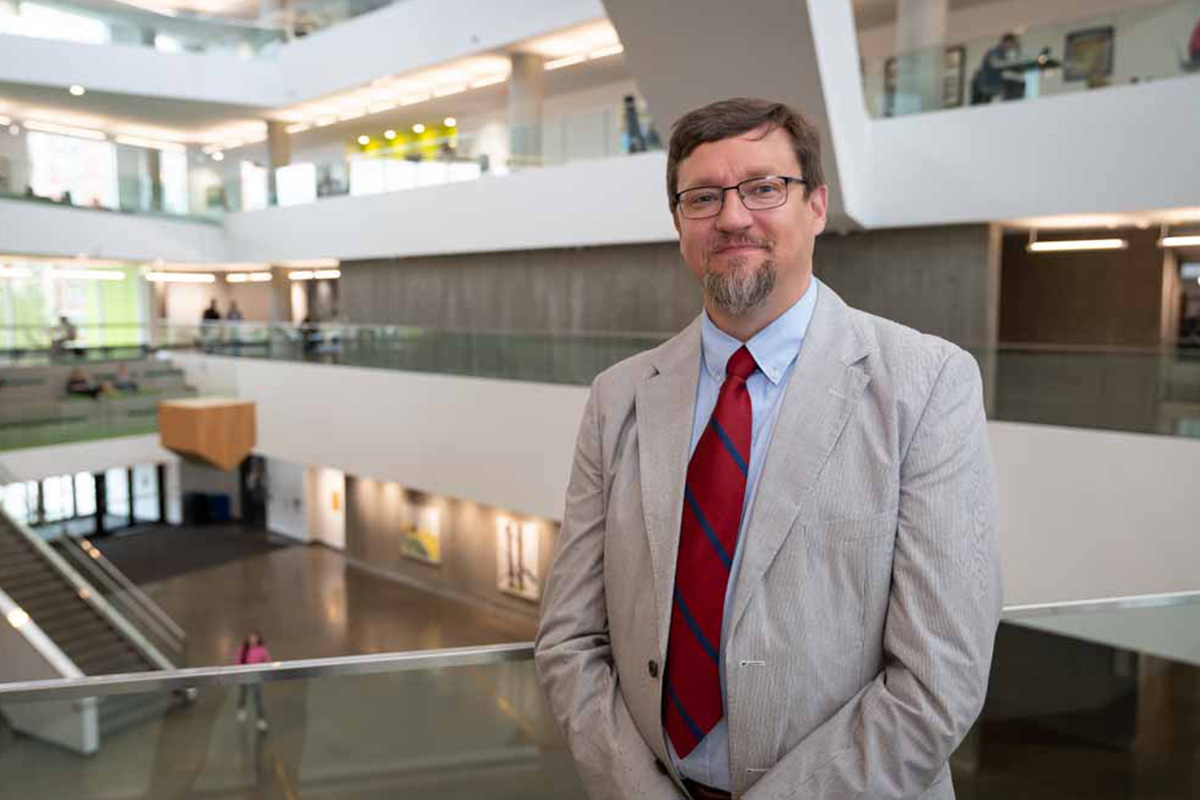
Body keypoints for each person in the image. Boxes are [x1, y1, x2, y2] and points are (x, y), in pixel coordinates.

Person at [535, 98, 1001, 800]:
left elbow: (941, 676)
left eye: (762, 187)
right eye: (703, 197)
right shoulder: (619, 397)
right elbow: (570, 641)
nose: (730, 217)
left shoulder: (927, 385)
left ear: (816, 205)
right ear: (679, 224)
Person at [971, 33, 1024, 104]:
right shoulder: (996, 51)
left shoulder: (1010, 54)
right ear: (1006, 42)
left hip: (999, 83)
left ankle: (1012, 103)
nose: (1012, 46)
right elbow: (995, 62)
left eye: (1014, 44)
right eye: (1012, 44)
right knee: (1013, 82)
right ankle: (1010, 103)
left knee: (1018, 82)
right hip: (991, 82)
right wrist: (1010, 61)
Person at [235, 631, 272, 732]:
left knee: (258, 699)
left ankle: (260, 720)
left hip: (256, 677)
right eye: (250, 638)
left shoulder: (261, 650)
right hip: (245, 677)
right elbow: (238, 662)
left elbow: (267, 661)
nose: (252, 640)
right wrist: (239, 674)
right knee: (243, 694)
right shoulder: (243, 649)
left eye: (254, 638)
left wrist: (264, 672)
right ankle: (241, 709)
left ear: (258, 639)